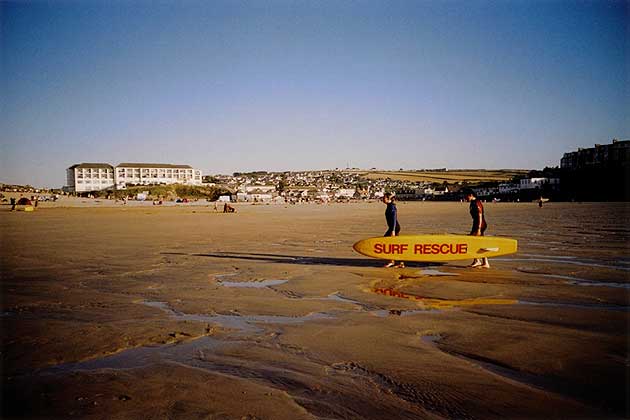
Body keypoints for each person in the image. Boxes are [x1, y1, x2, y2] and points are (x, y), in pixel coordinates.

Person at [464, 189, 490, 268]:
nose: (465, 198)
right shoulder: (472, 203)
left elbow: (480, 215)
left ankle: (478, 261)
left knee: (473, 242)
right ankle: (484, 262)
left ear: (471, 195)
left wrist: (478, 229)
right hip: (476, 224)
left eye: (466, 196)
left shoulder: (477, 203)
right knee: (479, 243)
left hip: (480, 224)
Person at [382, 193, 403, 268]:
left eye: (384, 198)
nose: (382, 199)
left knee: (387, 244)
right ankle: (401, 262)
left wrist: (393, 230)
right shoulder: (389, 206)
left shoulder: (392, 206)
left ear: (388, 199)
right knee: (395, 246)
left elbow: (394, 218)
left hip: (394, 228)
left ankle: (392, 261)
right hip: (393, 228)